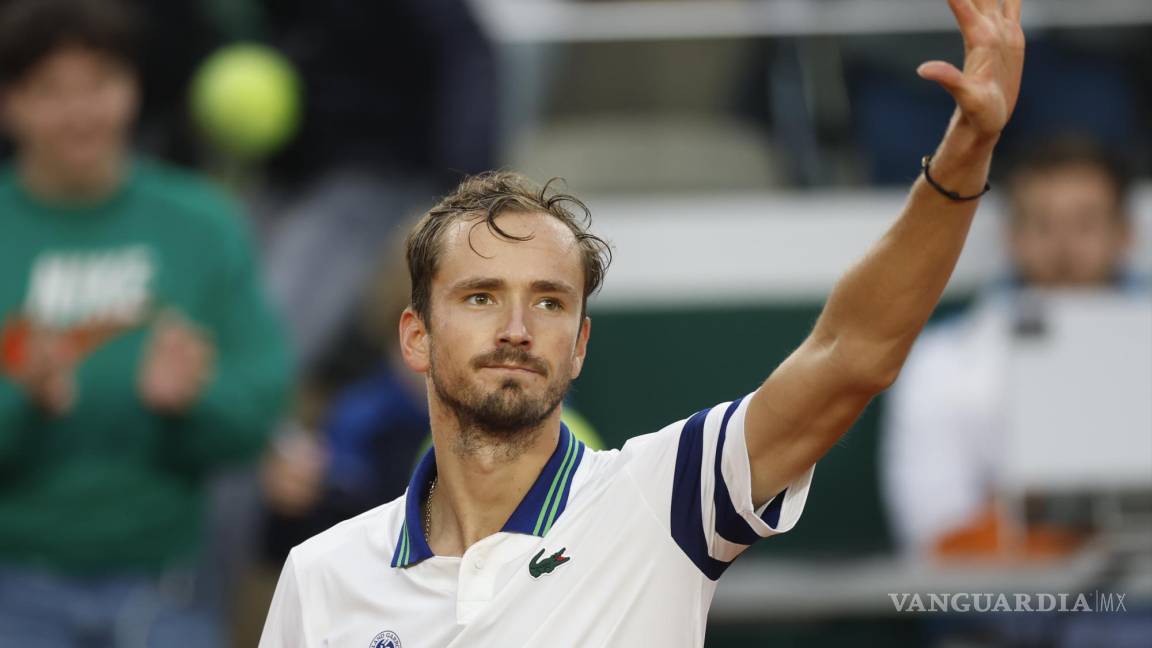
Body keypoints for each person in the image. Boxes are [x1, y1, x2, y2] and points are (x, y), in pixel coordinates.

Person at [260, 0, 1025, 645]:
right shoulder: (322, 575)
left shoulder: (664, 496)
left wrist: (963, 158)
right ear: (415, 336)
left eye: (552, 302)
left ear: (580, 345)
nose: (520, 327)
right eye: (482, 296)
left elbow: (851, 354)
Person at [0, 0, 290, 645]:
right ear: (10, 104)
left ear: (133, 89)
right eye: (50, 90)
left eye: (100, 82)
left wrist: (194, 399)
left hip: (167, 589)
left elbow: (260, 402)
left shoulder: (202, 223)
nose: (81, 114)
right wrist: (23, 401)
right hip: (13, 584)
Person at [882, 136, 1140, 557]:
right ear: (1011, 236)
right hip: (1010, 612)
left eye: (1086, 223)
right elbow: (934, 540)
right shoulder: (945, 361)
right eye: (1041, 224)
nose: (1064, 249)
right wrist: (1050, 523)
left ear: (1124, 233)